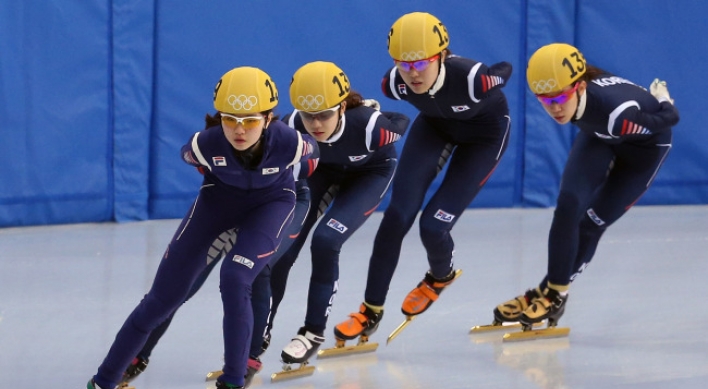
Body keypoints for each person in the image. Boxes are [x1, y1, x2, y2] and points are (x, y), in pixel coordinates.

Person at [87, 66, 319, 389]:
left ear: (268, 119)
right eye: (230, 120)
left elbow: (314, 154)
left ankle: (234, 381)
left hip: (271, 205)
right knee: (162, 298)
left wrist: (301, 174)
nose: (240, 130)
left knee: (235, 277)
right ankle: (103, 380)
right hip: (217, 205)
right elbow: (191, 157)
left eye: (250, 120)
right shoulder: (203, 145)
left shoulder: (289, 143)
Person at [333, 11, 513, 342]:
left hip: (484, 137)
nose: (412, 72)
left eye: (421, 63)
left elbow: (505, 68)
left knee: (433, 226)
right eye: (404, 63)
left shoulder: (474, 79)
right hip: (435, 127)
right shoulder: (394, 83)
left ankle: (439, 277)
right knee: (397, 217)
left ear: (442, 56)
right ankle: (369, 310)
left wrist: (495, 76)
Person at [490, 43, 678, 331]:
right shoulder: (580, 94)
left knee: (591, 223)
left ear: (579, 87)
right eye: (544, 99)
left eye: (560, 97)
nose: (554, 107)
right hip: (601, 135)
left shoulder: (619, 115)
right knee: (568, 204)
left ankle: (554, 295)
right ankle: (547, 291)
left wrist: (663, 99)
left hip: (644, 149)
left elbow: (669, 119)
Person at [119, 129, 312, 389]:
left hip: (276, 205)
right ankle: (138, 353)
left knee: (255, 272)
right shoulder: (254, 129)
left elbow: (317, 161)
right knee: (182, 286)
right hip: (230, 204)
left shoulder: (294, 139)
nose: (315, 120)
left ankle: (250, 357)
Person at [265, 61, 410, 367]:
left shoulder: (371, 127)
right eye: (309, 116)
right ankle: (259, 331)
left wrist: (377, 112)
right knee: (281, 247)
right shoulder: (292, 125)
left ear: (342, 107)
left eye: (326, 114)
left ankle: (311, 332)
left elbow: (402, 120)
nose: (316, 124)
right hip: (323, 170)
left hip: (371, 173)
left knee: (326, 240)